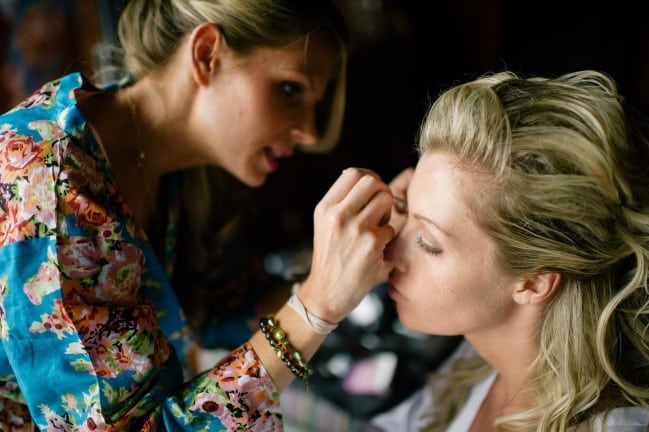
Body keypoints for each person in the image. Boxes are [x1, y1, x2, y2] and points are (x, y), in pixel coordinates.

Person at [0, 0, 399, 429]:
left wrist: (353, 265)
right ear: (207, 53)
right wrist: (316, 306)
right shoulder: (46, 184)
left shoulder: (173, 166)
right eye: (289, 89)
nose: (309, 131)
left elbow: (220, 310)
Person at [359, 70, 649, 431]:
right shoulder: (474, 362)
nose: (387, 252)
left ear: (534, 282)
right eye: (406, 208)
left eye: (429, 244)